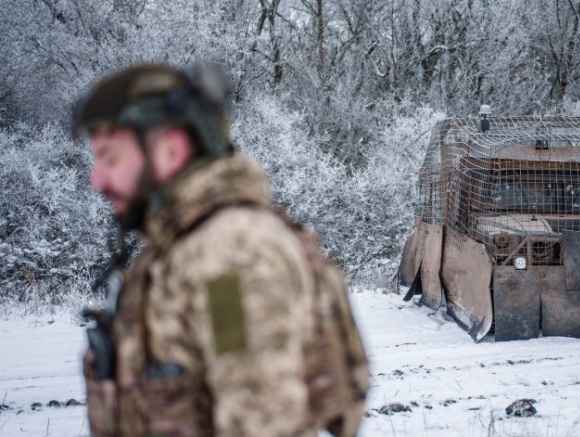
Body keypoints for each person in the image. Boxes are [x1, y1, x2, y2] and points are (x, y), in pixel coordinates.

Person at [73, 63, 368, 436]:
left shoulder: (230, 254)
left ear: (170, 151)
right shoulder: (178, 249)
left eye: (110, 158)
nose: (96, 179)